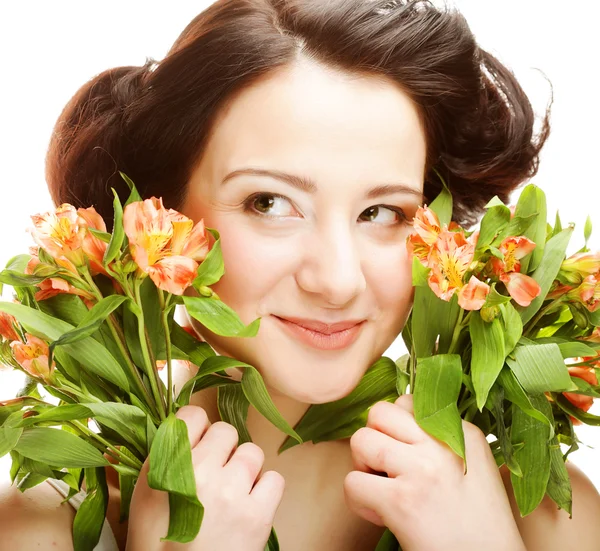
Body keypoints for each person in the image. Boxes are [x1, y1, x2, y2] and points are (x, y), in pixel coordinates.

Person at [1, 0, 600, 549]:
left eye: (384, 213)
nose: (338, 281)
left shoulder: (540, 510)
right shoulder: (47, 518)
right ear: (158, 213)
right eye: (269, 203)